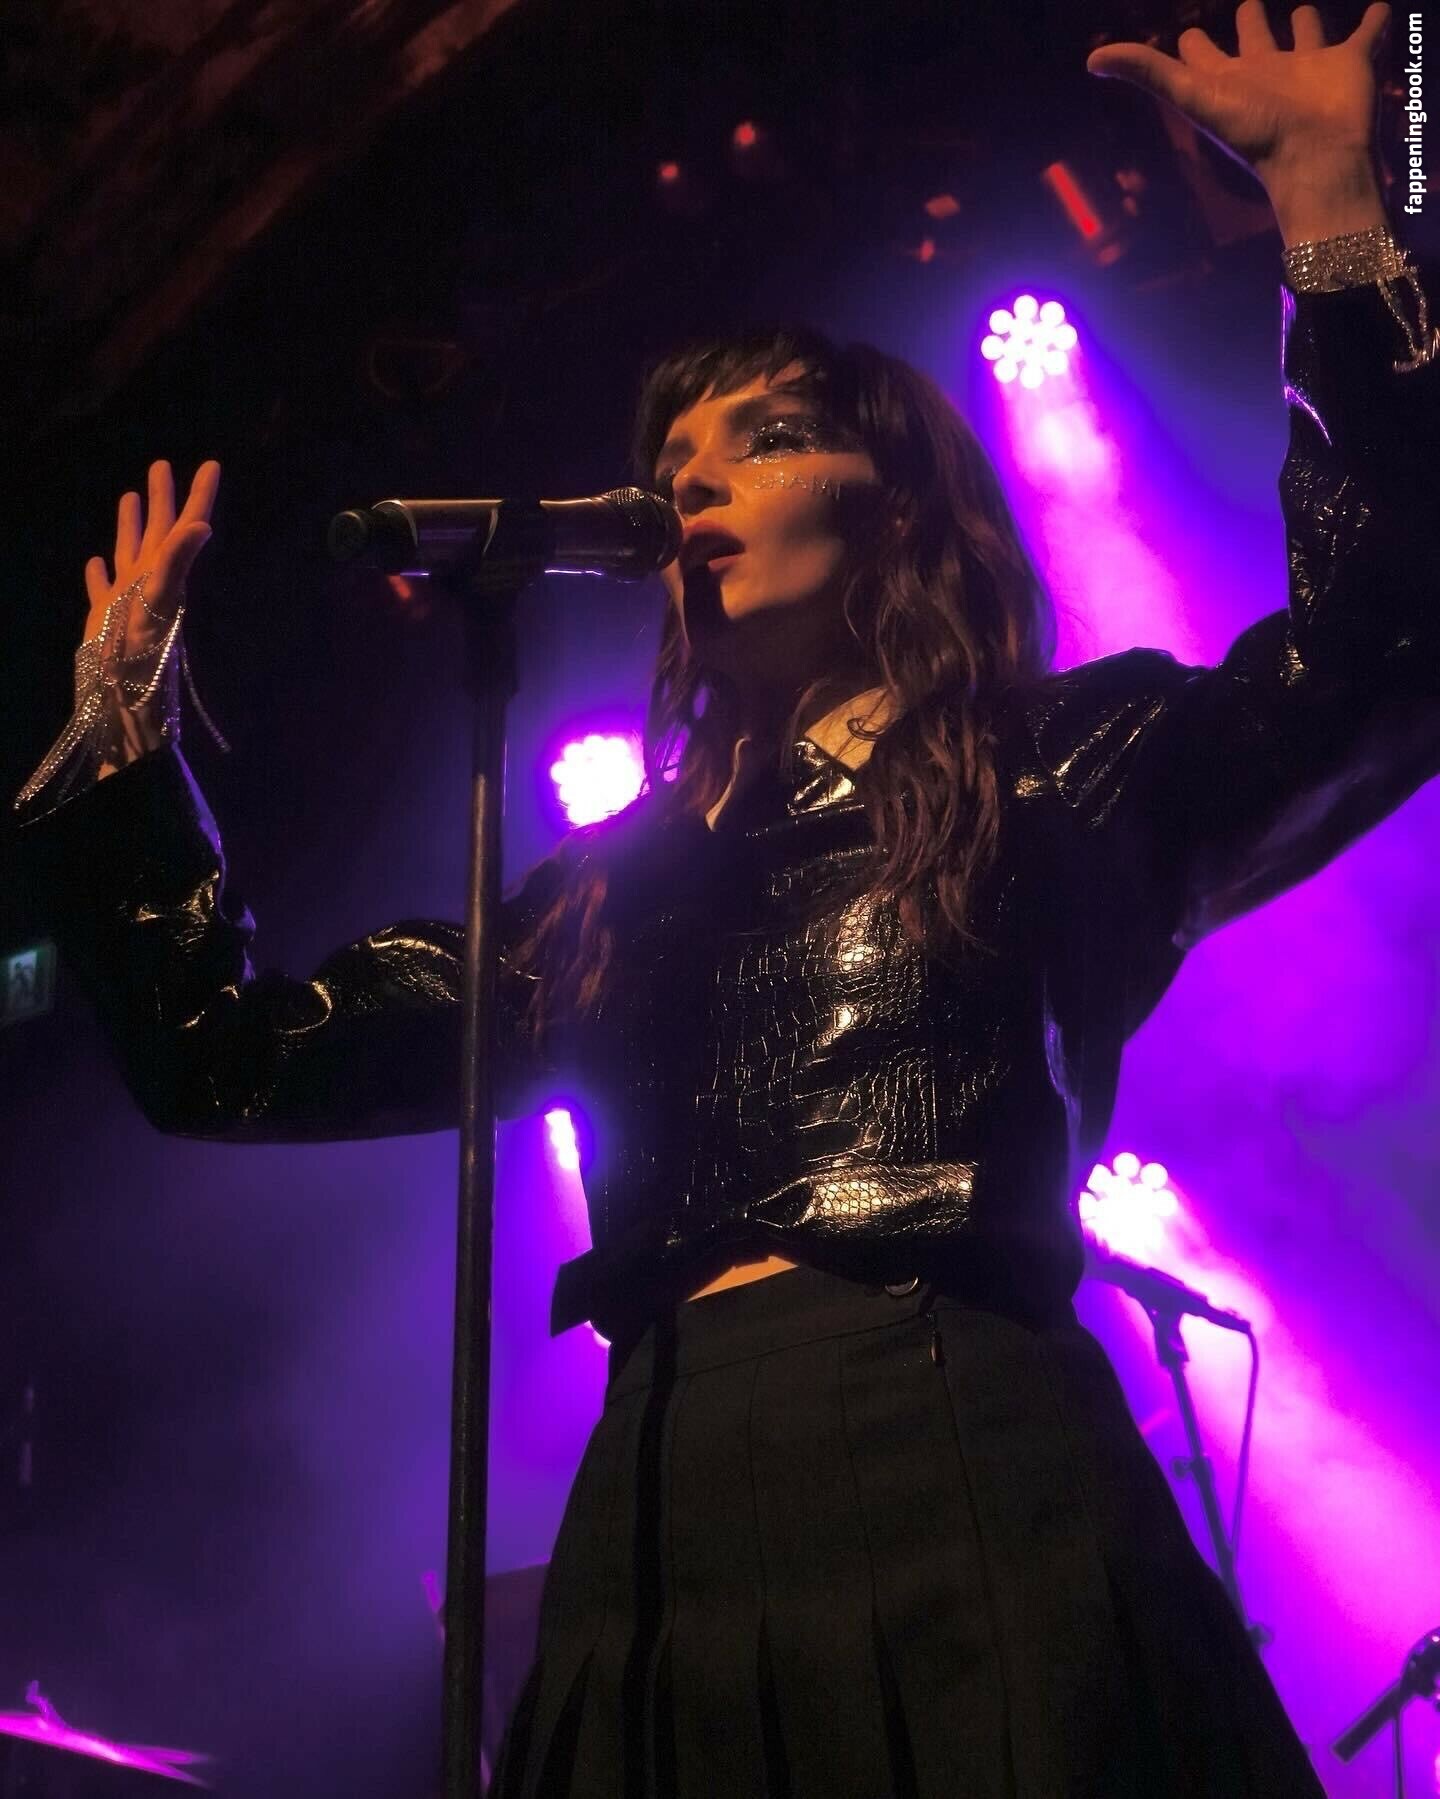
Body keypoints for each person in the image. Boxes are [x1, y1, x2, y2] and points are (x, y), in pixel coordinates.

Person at [16, 4, 1439, 1793]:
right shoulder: (605, 897)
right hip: (666, 1492)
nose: (694, 479)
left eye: (760, 439)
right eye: (676, 461)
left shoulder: (1058, 767)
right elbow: (225, 1052)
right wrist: (121, 736)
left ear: (897, 506)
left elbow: (1381, 654)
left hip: (956, 1430)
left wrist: (1329, 204)